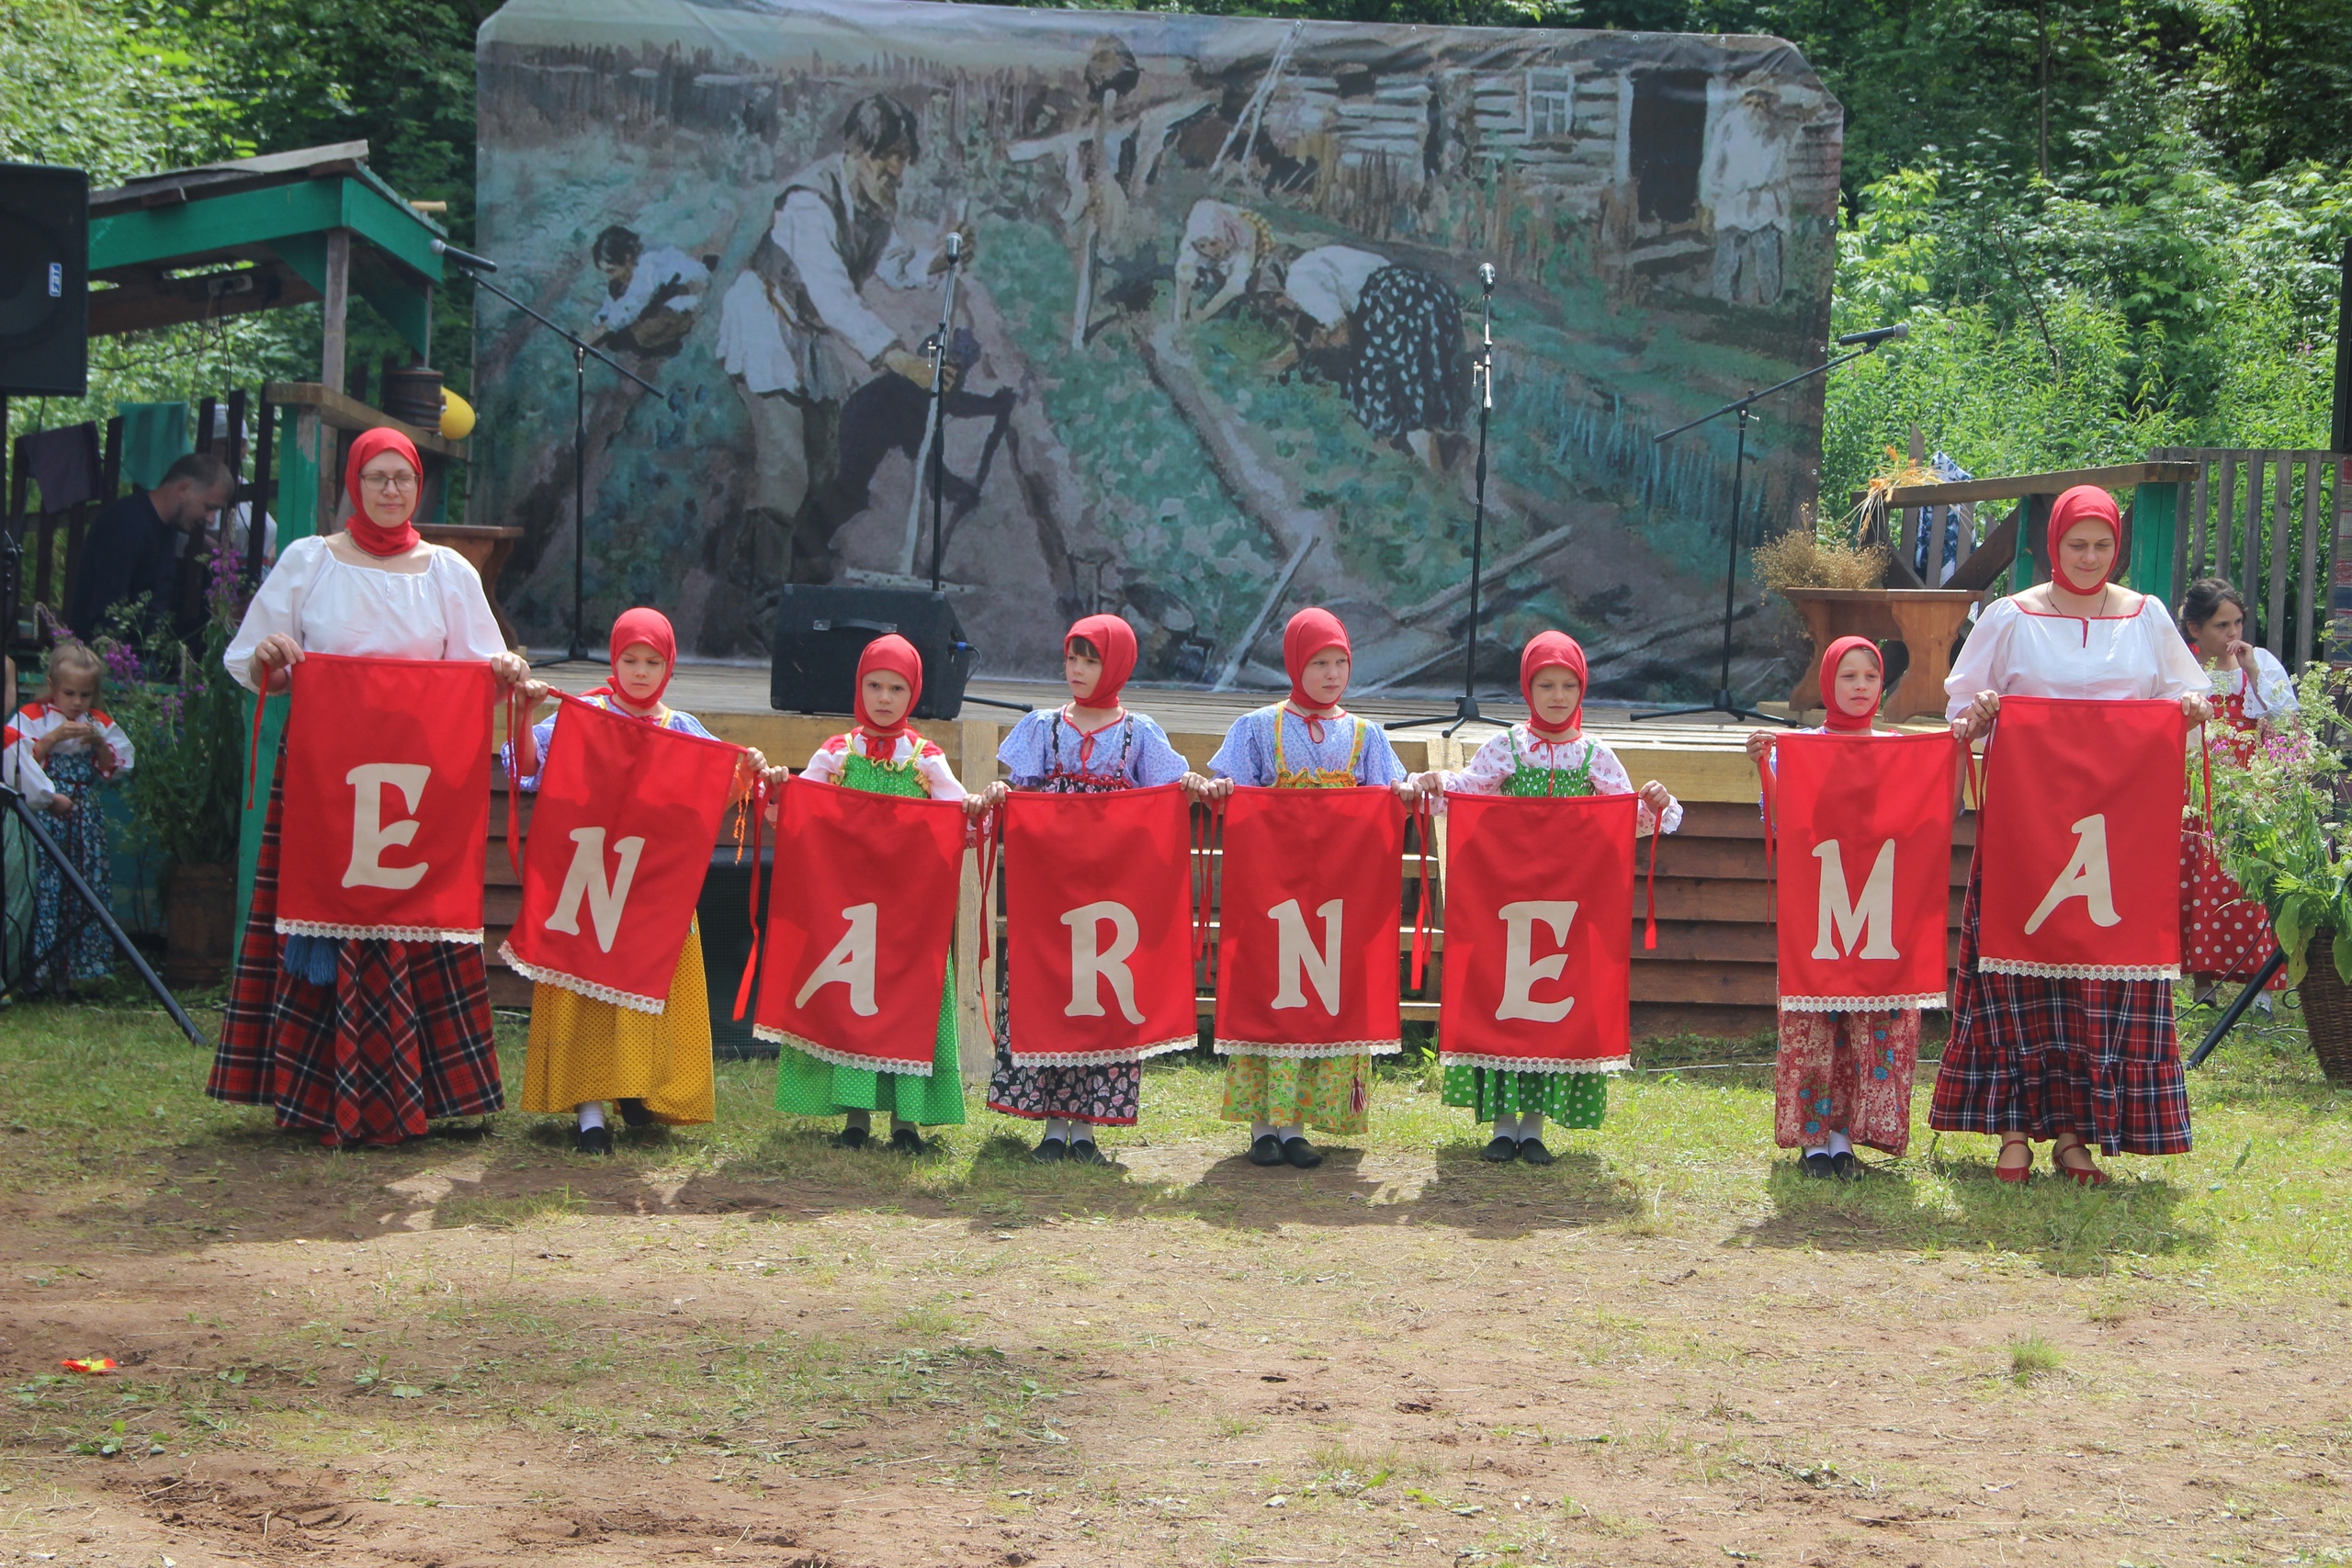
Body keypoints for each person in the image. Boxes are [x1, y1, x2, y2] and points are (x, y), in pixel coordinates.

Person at [211, 427, 526, 1148]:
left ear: (419, 487)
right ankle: (316, 1090)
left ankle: (426, 1088)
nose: (391, 490)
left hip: (417, 788)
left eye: (403, 478)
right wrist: (272, 654)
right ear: (355, 483)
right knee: (325, 910)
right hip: (329, 777)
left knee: (415, 918)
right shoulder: (308, 561)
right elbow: (252, 659)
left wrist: (505, 669)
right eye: (378, 477)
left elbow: (481, 667)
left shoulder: (448, 571)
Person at [1937, 485, 2211, 1185]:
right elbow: (1960, 702)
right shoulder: (2012, 615)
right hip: (2029, 825)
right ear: (2051, 545)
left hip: (2119, 831)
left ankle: (2076, 1134)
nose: (2087, 557)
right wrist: (1987, 711)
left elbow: (2192, 697)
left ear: (2116, 547)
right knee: (2017, 966)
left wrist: (2183, 709)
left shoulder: (2147, 618)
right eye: (2074, 544)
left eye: (2100, 544)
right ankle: (2013, 1130)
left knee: (2097, 980)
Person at [508, 610, 763, 1154]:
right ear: (613, 659)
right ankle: (590, 1110)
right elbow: (526, 766)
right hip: (588, 881)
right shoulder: (581, 715)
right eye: (630, 660)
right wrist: (525, 714)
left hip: (652, 889)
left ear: (669, 666)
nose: (641, 672)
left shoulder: (683, 728)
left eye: (653, 662)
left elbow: (717, 793)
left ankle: (639, 1093)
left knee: (652, 989)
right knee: (585, 994)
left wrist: (748, 771)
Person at [1430, 631, 1680, 1164]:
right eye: (1546, 684)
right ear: (1528, 687)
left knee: (1553, 1011)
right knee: (1506, 1004)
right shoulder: (1505, 747)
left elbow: (1628, 818)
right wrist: (1434, 783)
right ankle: (1502, 1124)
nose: (1558, 695)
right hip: (1509, 906)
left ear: (1582, 688)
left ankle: (1536, 1126)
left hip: (1568, 912)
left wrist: (1656, 803)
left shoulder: (1596, 754)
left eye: (1569, 684)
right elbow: (1467, 793)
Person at [976, 614, 1207, 1162]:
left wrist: (1191, 786)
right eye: (1072, 657)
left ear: (1117, 666)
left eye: (1091, 659)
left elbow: (1168, 793)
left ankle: (1087, 1130)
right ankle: (1053, 1127)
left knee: (1103, 1003)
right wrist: (1001, 792)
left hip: (1113, 895)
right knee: (1051, 994)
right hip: (1052, 893)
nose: (1077, 669)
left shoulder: (1139, 733)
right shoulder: (1043, 727)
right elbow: (1022, 790)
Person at [715, 96, 967, 595]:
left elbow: (894, 265)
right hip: (767, 322)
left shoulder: (871, 203)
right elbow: (834, 297)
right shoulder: (809, 203)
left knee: (824, 464)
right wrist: (902, 362)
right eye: (887, 156)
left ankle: (776, 561)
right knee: (786, 467)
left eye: (903, 157)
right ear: (856, 150)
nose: (897, 169)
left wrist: (937, 261)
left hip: (803, 332)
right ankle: (765, 592)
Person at [1200, 608, 1418, 1169]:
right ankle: (1261, 1127)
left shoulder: (1366, 734)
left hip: (1338, 896)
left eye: (1340, 662)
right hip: (1272, 893)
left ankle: (1298, 1126)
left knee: (1323, 996)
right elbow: (1228, 792)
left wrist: (1411, 791)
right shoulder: (1256, 728)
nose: (1330, 674)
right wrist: (1218, 789)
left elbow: (1390, 794)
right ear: (1296, 663)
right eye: (1318, 662)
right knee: (1272, 995)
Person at [768, 635, 988, 1152]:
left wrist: (974, 810)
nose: (883, 698)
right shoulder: (835, 753)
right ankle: (856, 1117)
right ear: (858, 686)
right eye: (874, 685)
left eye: (896, 687)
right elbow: (800, 812)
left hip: (906, 913)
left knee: (907, 1002)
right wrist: (781, 785)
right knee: (852, 1003)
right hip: (848, 909)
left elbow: (960, 821)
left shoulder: (925, 759)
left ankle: (907, 1121)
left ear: (911, 694)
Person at [1746, 637, 1920, 1179]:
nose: (1862, 685)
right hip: (1821, 899)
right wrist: (1764, 766)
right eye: (1849, 676)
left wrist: (1954, 748)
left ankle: (1845, 1135)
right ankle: (1812, 1138)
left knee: (1871, 1020)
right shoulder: (1797, 747)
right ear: (1827, 684)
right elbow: (1780, 821)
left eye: (1871, 675)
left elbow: (1928, 814)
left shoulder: (1898, 748)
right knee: (1817, 1018)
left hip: (1879, 900)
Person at [2177, 578, 2295, 998]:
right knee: (2202, 880)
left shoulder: (2259, 661)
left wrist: (2253, 671)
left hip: (2247, 788)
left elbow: (2284, 723)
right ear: (2195, 629)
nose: (2232, 634)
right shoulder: (2183, 667)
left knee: (2251, 880)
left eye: (2238, 623)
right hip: (2196, 787)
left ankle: (2259, 989)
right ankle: (2203, 985)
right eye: (2221, 626)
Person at [1275, 244, 1469, 472]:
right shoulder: (1321, 261)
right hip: (1427, 294)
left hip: (1390, 299)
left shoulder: (1296, 282)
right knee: (1420, 386)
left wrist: (1320, 348)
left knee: (1391, 395)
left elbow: (1341, 331)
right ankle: (1435, 462)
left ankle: (1431, 474)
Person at [13, 640, 134, 991]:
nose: (77, 702)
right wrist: (52, 739)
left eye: (86, 694)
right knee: (43, 884)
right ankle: (34, 971)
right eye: (69, 693)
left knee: (79, 885)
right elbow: (19, 760)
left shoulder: (99, 722)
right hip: (43, 811)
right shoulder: (32, 716)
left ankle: (71, 973)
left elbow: (112, 768)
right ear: (52, 687)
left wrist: (97, 744)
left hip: (82, 815)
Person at [64, 452, 232, 642]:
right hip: (102, 659)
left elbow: (152, 610)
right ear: (183, 489)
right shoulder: (126, 523)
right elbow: (106, 609)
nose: (211, 519)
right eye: (209, 507)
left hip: (139, 656)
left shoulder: (167, 527)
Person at [584, 225, 711, 356]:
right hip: (659, 296)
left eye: (612, 270)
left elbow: (633, 305)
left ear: (627, 259)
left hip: (683, 297)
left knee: (638, 337)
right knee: (620, 334)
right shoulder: (624, 275)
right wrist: (598, 323)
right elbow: (611, 304)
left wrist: (605, 328)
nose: (610, 276)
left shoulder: (647, 266)